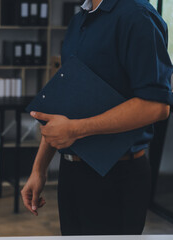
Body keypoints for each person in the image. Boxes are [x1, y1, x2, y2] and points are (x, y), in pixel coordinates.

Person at [21, 0, 172, 236]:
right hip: (71, 173)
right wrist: (39, 169)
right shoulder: (79, 18)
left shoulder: (138, 16)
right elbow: (66, 102)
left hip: (117, 178)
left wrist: (76, 129)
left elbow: (156, 106)